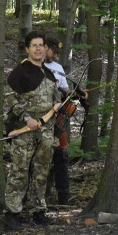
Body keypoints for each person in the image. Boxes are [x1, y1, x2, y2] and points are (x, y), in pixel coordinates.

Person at [3, 31, 65, 230]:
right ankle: (12, 214)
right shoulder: (19, 72)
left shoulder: (49, 73)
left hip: (46, 131)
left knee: (41, 172)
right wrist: (27, 118)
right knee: (19, 171)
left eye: (41, 45)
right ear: (27, 49)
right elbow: (10, 98)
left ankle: (39, 211)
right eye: (34, 45)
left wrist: (56, 108)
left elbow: (56, 98)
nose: (39, 49)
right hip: (24, 130)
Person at [43, 36, 83, 205]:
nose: (56, 56)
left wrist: (72, 93)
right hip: (40, 120)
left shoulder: (58, 68)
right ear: (44, 48)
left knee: (61, 157)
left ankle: (64, 196)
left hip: (59, 120)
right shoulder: (32, 66)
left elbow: (66, 88)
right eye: (54, 51)